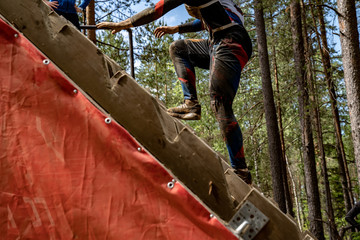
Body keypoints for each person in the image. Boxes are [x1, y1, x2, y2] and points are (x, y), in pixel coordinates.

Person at [97, 0, 253, 184]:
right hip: (218, 41)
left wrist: (125, 23)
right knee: (179, 48)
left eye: (194, 13)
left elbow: (157, 9)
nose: (197, 18)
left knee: (220, 101)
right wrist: (176, 29)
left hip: (231, 42)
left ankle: (240, 169)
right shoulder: (225, 6)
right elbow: (202, 23)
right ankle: (191, 104)